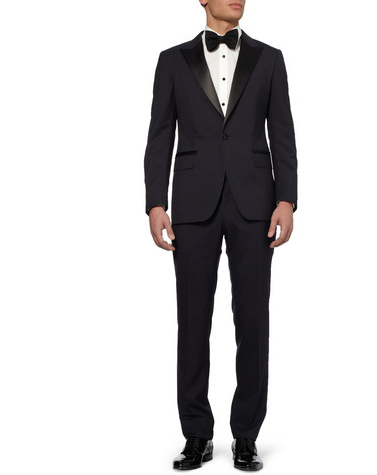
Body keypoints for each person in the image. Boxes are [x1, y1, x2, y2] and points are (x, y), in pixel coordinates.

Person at [143, 0, 297, 470]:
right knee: (192, 321)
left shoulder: (270, 59)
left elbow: (283, 133)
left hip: (256, 203)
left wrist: (287, 199)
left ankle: (246, 435)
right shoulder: (172, 61)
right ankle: (196, 434)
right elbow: (159, 136)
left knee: (253, 321)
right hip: (193, 204)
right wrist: (155, 203)